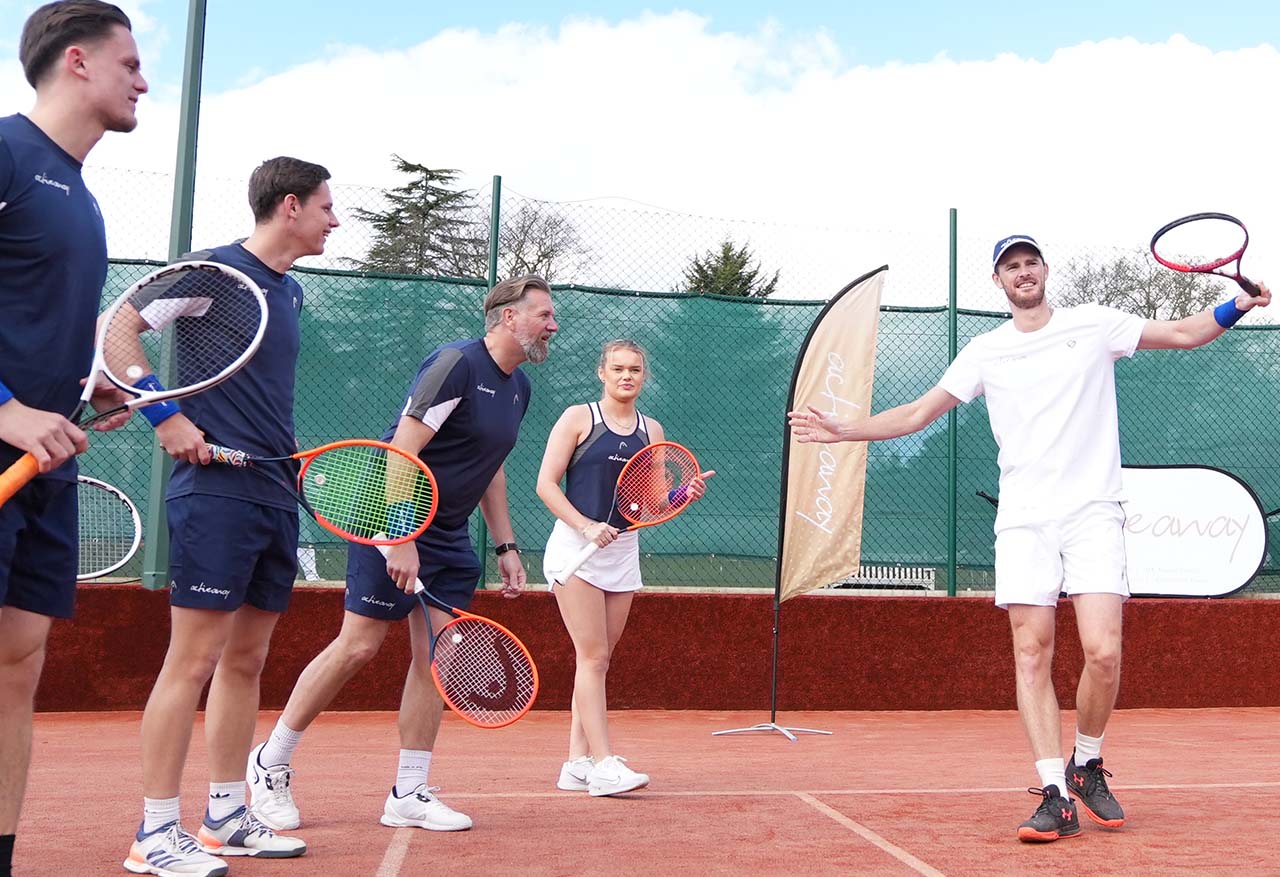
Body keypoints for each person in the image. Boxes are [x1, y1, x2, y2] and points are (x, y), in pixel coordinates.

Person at [788, 234, 1271, 843]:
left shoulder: (1093, 325)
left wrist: (1236, 306)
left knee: (1103, 652)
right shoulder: (985, 352)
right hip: (1024, 518)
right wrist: (844, 430)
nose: (1022, 272)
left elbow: (1181, 333)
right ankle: (1052, 791)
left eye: (1030, 262)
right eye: (1010, 266)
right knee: (1031, 650)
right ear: (999, 281)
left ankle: (1087, 761)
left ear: (1045, 271)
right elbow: (916, 413)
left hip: (1094, 510)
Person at [245, 275, 557, 835]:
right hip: (388, 514)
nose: (552, 325)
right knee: (357, 646)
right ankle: (270, 761)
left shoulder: (519, 388)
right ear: (508, 318)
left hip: (450, 533)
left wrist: (507, 544)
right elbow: (401, 450)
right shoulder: (455, 365)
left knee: (438, 659)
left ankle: (409, 791)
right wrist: (401, 534)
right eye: (544, 314)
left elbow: (492, 465)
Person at [120, 157, 339, 877]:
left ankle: (225, 815)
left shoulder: (294, 293)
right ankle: (154, 832)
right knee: (193, 660)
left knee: (246, 660)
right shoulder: (215, 272)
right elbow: (117, 330)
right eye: (325, 206)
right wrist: (165, 413)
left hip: (273, 490)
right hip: (213, 491)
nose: (333, 220)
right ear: (288, 206)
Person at [0, 3, 144, 875]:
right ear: (79, 63)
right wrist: (5, 407)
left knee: (19, 660)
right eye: (130, 63)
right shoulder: (7, 153)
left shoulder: (83, 199)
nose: (142, 81)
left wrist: (84, 388)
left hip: (42, 465)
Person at [536, 339, 711, 796]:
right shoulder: (578, 418)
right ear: (602, 373)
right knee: (592, 657)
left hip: (622, 552)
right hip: (576, 551)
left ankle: (576, 764)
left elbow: (651, 502)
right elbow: (546, 485)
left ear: (644, 376)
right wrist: (586, 525)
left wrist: (681, 496)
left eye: (634, 369)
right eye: (617, 369)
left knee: (599, 661)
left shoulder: (651, 429)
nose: (626, 376)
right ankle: (604, 764)